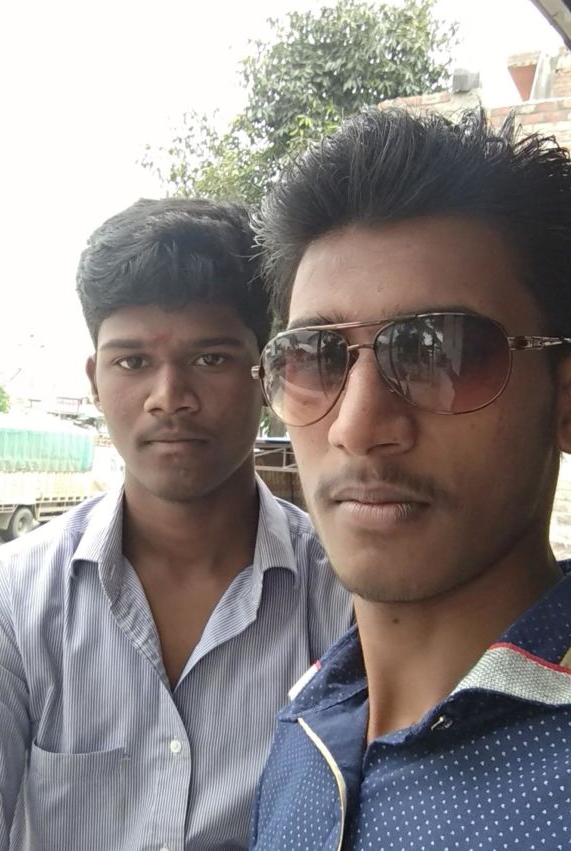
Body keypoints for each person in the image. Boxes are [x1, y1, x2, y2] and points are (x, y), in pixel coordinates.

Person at [0, 198, 352, 851]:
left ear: (266, 374)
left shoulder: (345, 601)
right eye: (132, 362)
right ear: (95, 382)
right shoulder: (5, 606)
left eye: (210, 359)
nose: (169, 397)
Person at [249, 109, 571, 850]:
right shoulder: (306, 728)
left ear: (564, 401)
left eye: (440, 350)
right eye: (316, 356)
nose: (357, 424)